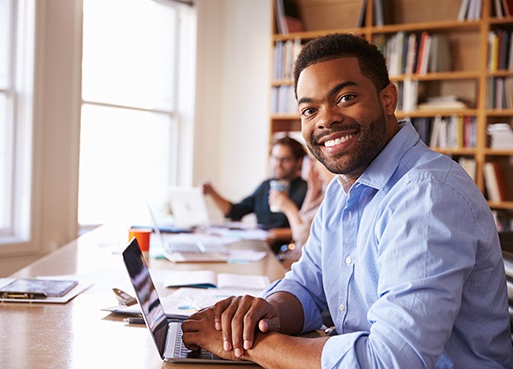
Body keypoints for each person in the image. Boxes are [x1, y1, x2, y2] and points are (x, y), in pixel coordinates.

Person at [182, 33, 513, 368]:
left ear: (388, 99)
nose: (325, 119)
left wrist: (248, 346)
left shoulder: (428, 195)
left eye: (344, 98)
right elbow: (308, 286)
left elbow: (391, 362)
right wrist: (262, 316)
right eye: (309, 109)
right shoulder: (343, 190)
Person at [202, 136, 307, 252]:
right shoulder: (265, 186)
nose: (278, 164)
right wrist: (211, 192)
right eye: (275, 158)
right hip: (261, 250)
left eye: (285, 159)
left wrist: (275, 234)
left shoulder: (307, 190)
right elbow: (235, 212)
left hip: (289, 252)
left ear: (299, 161)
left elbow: (307, 230)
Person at [269, 154, 335, 266]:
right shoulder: (322, 192)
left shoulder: (336, 197)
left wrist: (288, 208)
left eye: (315, 161)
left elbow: (302, 238)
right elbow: (305, 218)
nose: (312, 169)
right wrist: (312, 189)